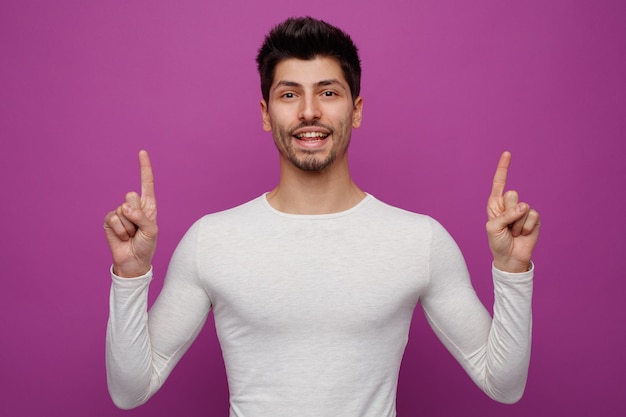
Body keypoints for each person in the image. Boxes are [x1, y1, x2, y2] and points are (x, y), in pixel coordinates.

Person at [104, 16, 540, 416]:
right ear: (264, 113)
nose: (309, 111)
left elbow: (504, 385)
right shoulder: (211, 240)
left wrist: (512, 270)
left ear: (357, 109)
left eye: (328, 93)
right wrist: (129, 275)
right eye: (289, 94)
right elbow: (131, 389)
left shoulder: (418, 240)